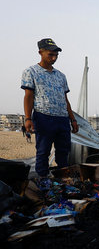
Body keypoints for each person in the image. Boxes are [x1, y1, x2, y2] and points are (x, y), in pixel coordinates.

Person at [21, 38, 79, 180]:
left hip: (62, 119)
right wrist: (28, 118)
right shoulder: (31, 72)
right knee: (43, 151)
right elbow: (28, 96)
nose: (53, 58)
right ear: (41, 52)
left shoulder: (61, 76)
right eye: (50, 55)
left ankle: (62, 181)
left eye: (56, 55)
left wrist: (73, 119)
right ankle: (43, 180)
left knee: (63, 152)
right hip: (43, 116)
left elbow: (65, 100)